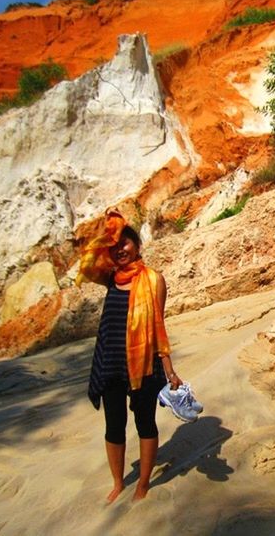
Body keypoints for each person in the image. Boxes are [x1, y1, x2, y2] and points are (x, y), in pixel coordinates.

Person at [76, 210, 182, 502]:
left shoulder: (154, 280)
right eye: (114, 246)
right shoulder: (109, 278)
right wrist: (108, 232)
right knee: (114, 424)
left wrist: (169, 370)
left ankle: (143, 483)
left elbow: (159, 326)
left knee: (145, 422)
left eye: (125, 243)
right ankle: (117, 482)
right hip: (110, 363)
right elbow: (85, 263)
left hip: (143, 364)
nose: (120, 249)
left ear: (136, 244)